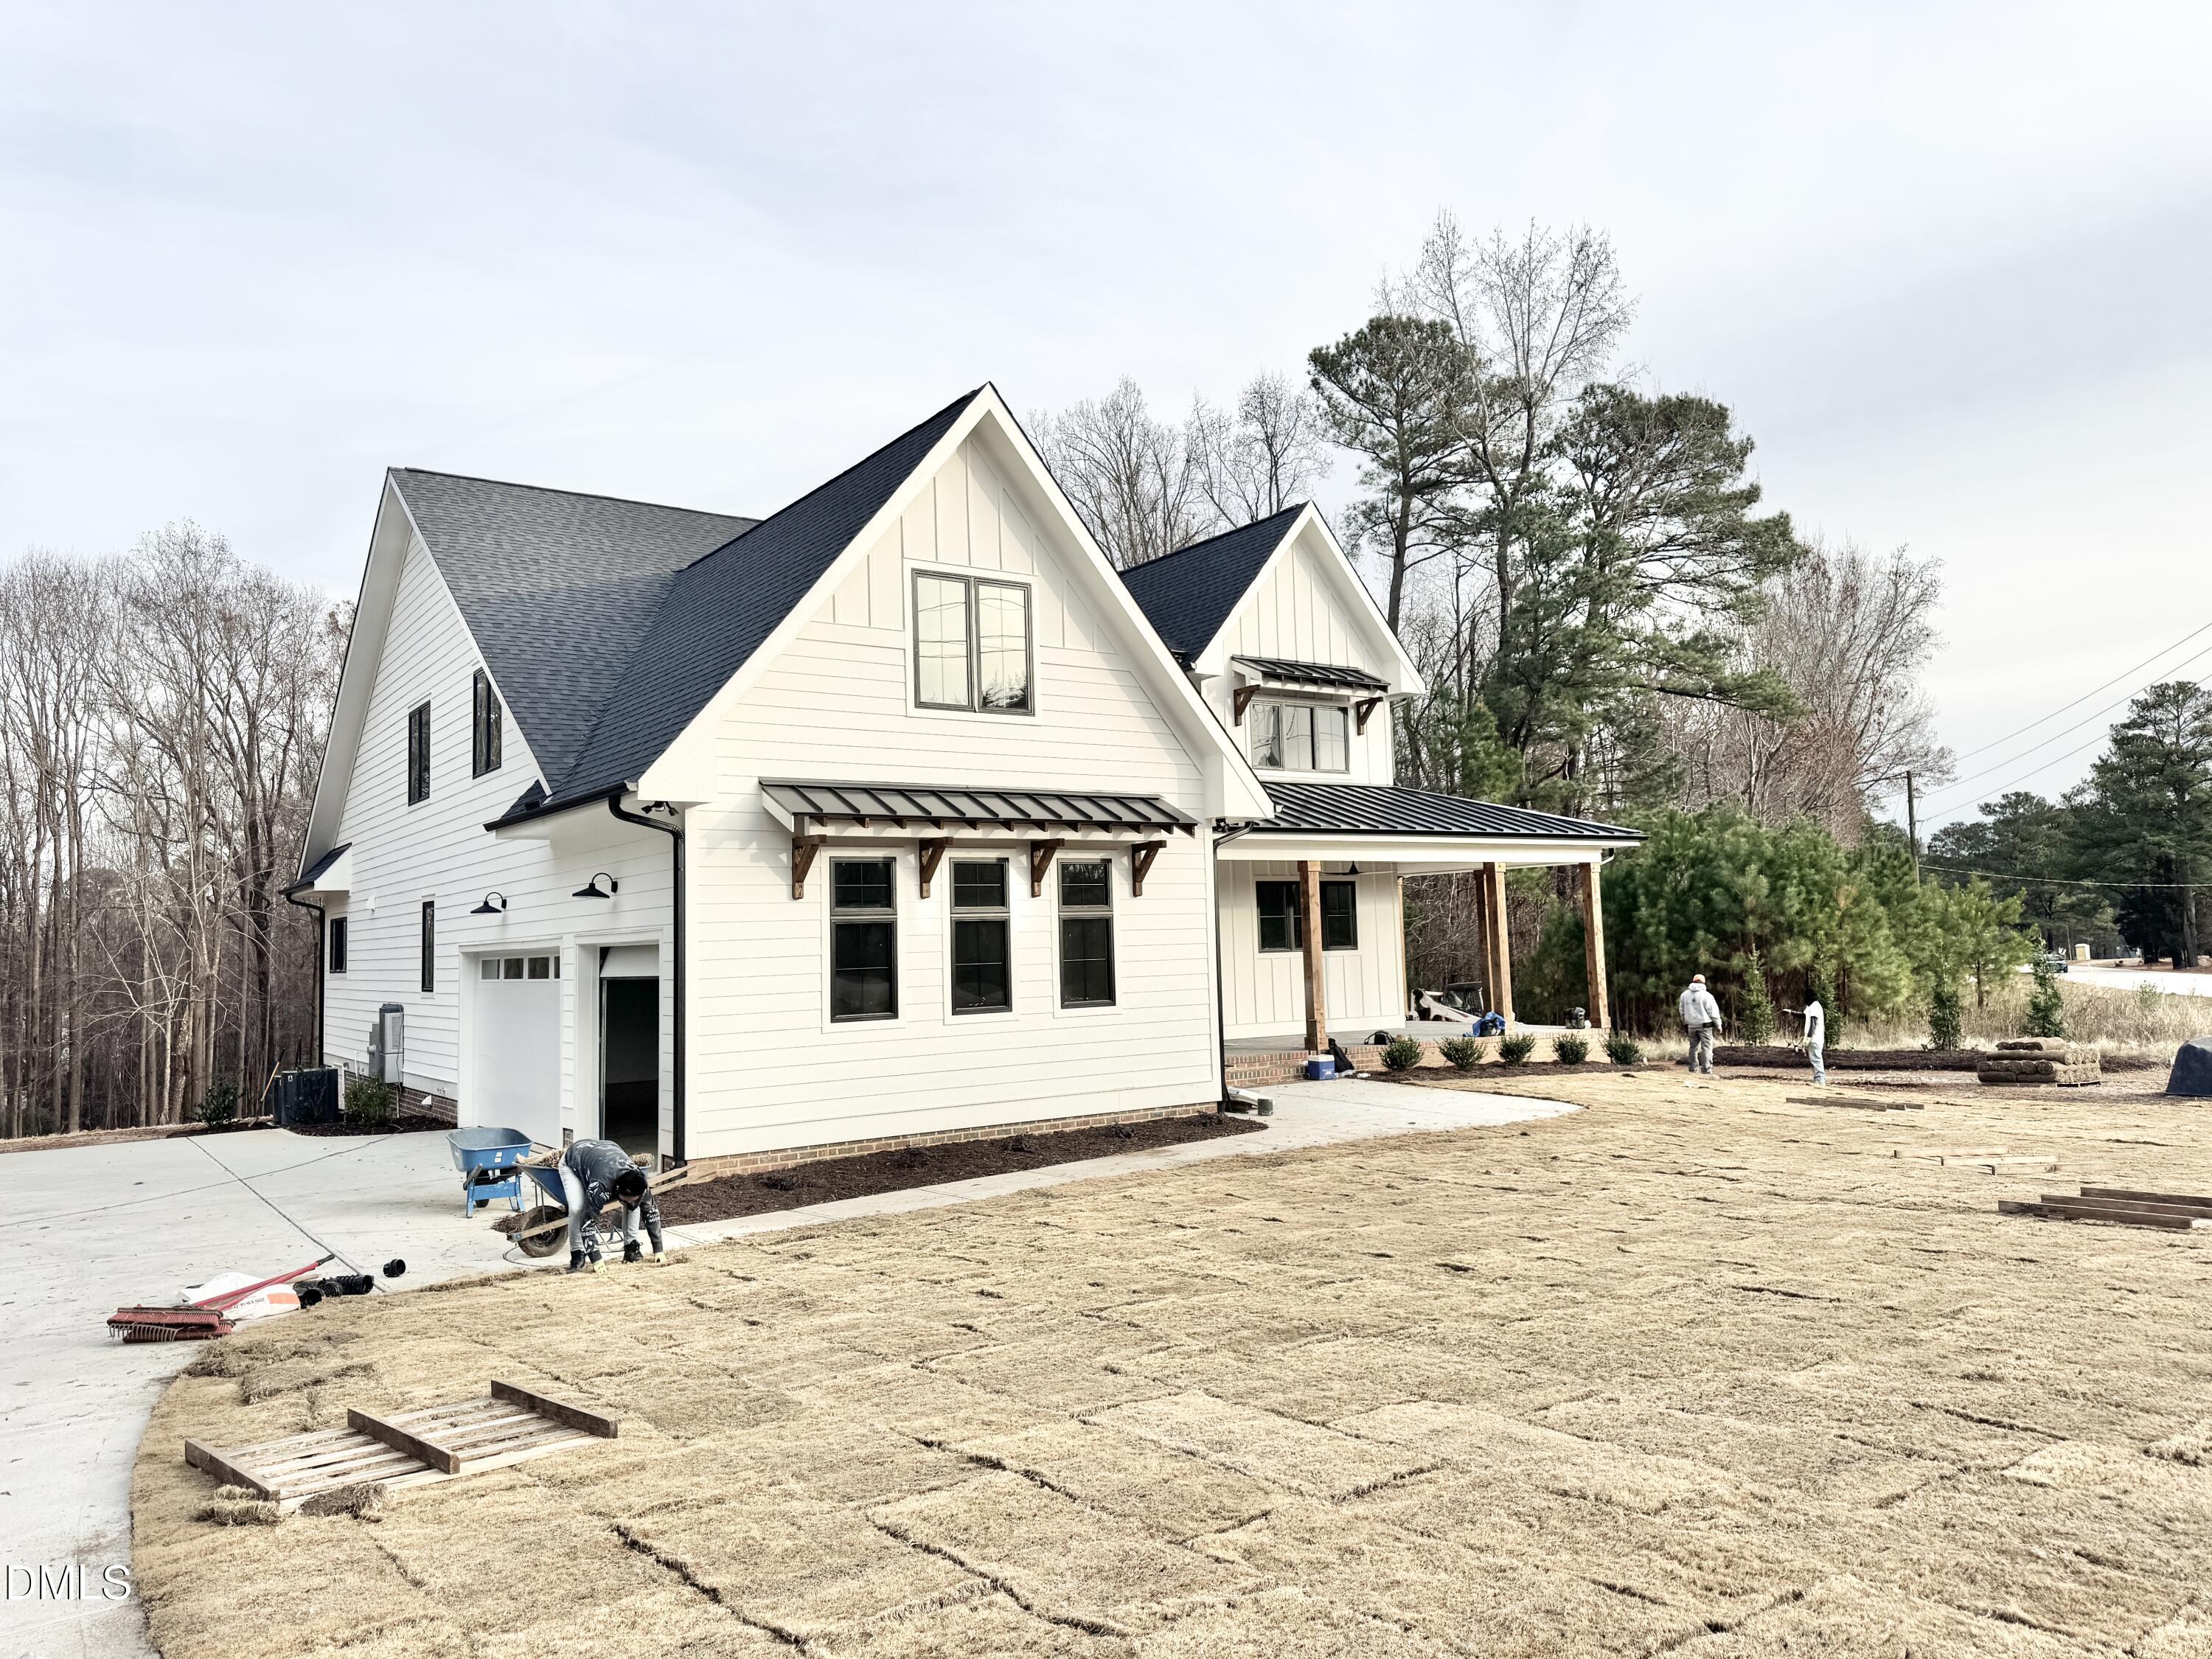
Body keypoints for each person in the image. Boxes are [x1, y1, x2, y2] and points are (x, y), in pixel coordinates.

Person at [559, 1138, 666, 1273]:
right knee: (577, 1209)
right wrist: (596, 1259)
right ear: (616, 1191)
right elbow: (587, 1222)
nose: (631, 1203)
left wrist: (659, 1250)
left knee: (635, 1207)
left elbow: (651, 1213)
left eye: (635, 1199)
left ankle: (631, 1248)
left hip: (607, 1150)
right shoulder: (600, 1187)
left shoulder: (640, 1184)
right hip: (574, 1159)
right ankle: (577, 1254)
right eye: (626, 1200)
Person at [1678, 973, 1722, 1075]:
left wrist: (1685, 1022)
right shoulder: (1707, 995)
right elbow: (1713, 1012)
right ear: (1704, 982)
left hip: (1691, 1026)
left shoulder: (1684, 995)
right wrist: (1718, 1025)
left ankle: (1693, 1069)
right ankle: (1706, 1070)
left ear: (1693, 981)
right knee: (1706, 1048)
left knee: (1693, 1048)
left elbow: (1682, 1011)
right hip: (1705, 1026)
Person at [1798, 994, 1826, 1085]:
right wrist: (1790, 1012)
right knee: (1815, 1059)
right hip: (1815, 1039)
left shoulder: (1815, 1006)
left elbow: (1813, 1024)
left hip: (1815, 1039)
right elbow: (1804, 1016)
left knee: (1816, 1059)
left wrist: (1807, 1039)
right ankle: (1818, 1079)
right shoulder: (1811, 1007)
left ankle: (1820, 1081)